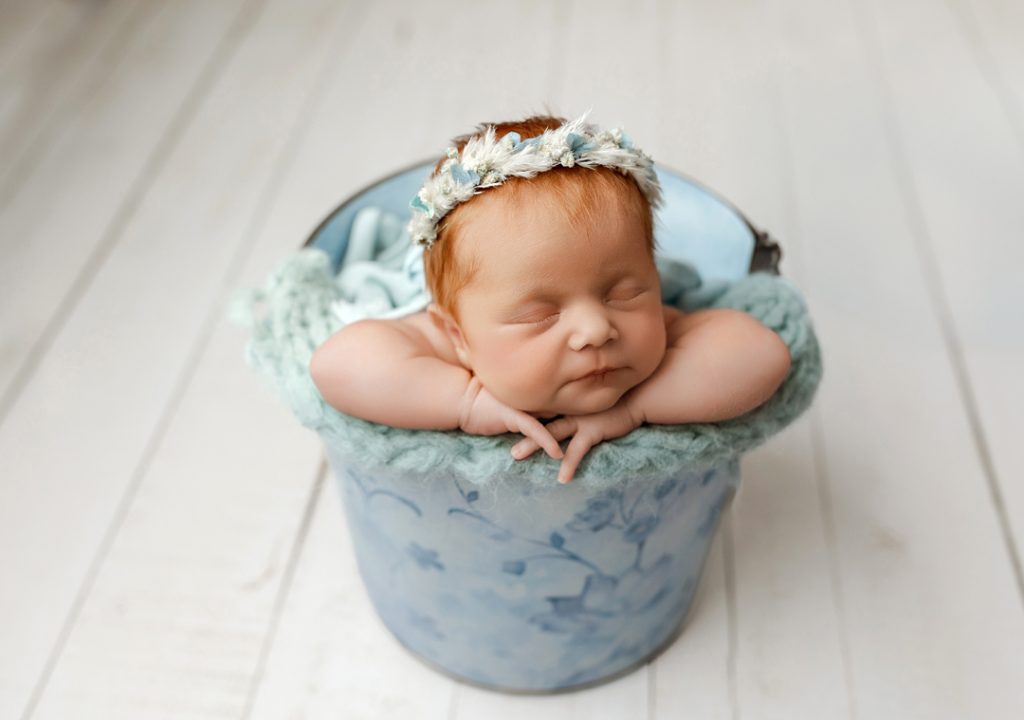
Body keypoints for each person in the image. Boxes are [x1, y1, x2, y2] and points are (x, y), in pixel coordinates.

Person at [309, 112, 791, 484]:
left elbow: (762, 355)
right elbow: (336, 364)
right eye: (541, 314)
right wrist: (466, 401)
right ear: (458, 335)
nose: (597, 329)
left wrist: (634, 408)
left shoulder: (655, 326)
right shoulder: (450, 347)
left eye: (625, 293)